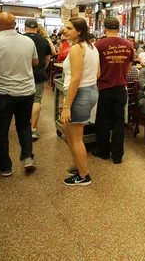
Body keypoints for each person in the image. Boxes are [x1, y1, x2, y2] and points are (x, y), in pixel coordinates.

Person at [0, 12, 38, 176]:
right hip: (26, 91)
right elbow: (35, 62)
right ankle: (28, 157)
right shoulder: (28, 41)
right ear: (15, 25)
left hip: (3, 93)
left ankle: (5, 167)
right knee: (24, 125)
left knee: (0, 130)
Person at [60, 18, 99, 186]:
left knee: (76, 138)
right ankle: (79, 165)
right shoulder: (92, 47)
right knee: (68, 131)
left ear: (79, 32)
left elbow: (75, 79)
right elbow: (97, 74)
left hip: (79, 93)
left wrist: (67, 106)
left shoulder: (76, 48)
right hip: (90, 90)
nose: (64, 30)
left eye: (69, 28)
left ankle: (83, 176)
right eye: (65, 27)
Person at [92, 17, 134, 164]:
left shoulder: (98, 45)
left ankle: (102, 151)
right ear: (119, 29)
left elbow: (94, 68)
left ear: (105, 29)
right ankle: (117, 155)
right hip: (121, 88)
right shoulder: (128, 45)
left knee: (102, 120)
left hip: (104, 88)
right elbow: (128, 68)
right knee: (118, 121)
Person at [23, 19, 52, 140]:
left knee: (23, 100)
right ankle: (33, 130)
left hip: (22, 75)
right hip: (39, 75)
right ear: (37, 28)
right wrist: (42, 69)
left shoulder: (20, 39)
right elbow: (48, 59)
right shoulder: (44, 40)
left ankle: (23, 127)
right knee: (36, 100)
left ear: (25, 28)